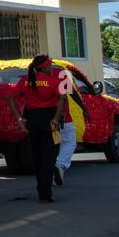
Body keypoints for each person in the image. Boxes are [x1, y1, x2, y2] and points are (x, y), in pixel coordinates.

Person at [12, 54, 69, 203]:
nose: (51, 67)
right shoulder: (52, 81)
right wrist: (56, 118)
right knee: (50, 156)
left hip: (32, 120)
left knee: (37, 156)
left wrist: (19, 117)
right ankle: (45, 192)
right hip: (49, 120)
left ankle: (41, 189)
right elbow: (63, 98)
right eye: (49, 65)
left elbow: (10, 97)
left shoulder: (25, 81)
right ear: (44, 66)